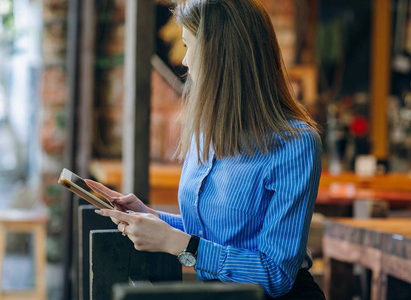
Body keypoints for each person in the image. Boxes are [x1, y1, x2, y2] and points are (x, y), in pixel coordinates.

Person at [87, 0, 325, 298]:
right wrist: (152, 218)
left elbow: (275, 275)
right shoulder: (206, 132)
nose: (184, 60)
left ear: (219, 54)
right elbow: (210, 231)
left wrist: (177, 243)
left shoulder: (295, 143)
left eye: (188, 45)